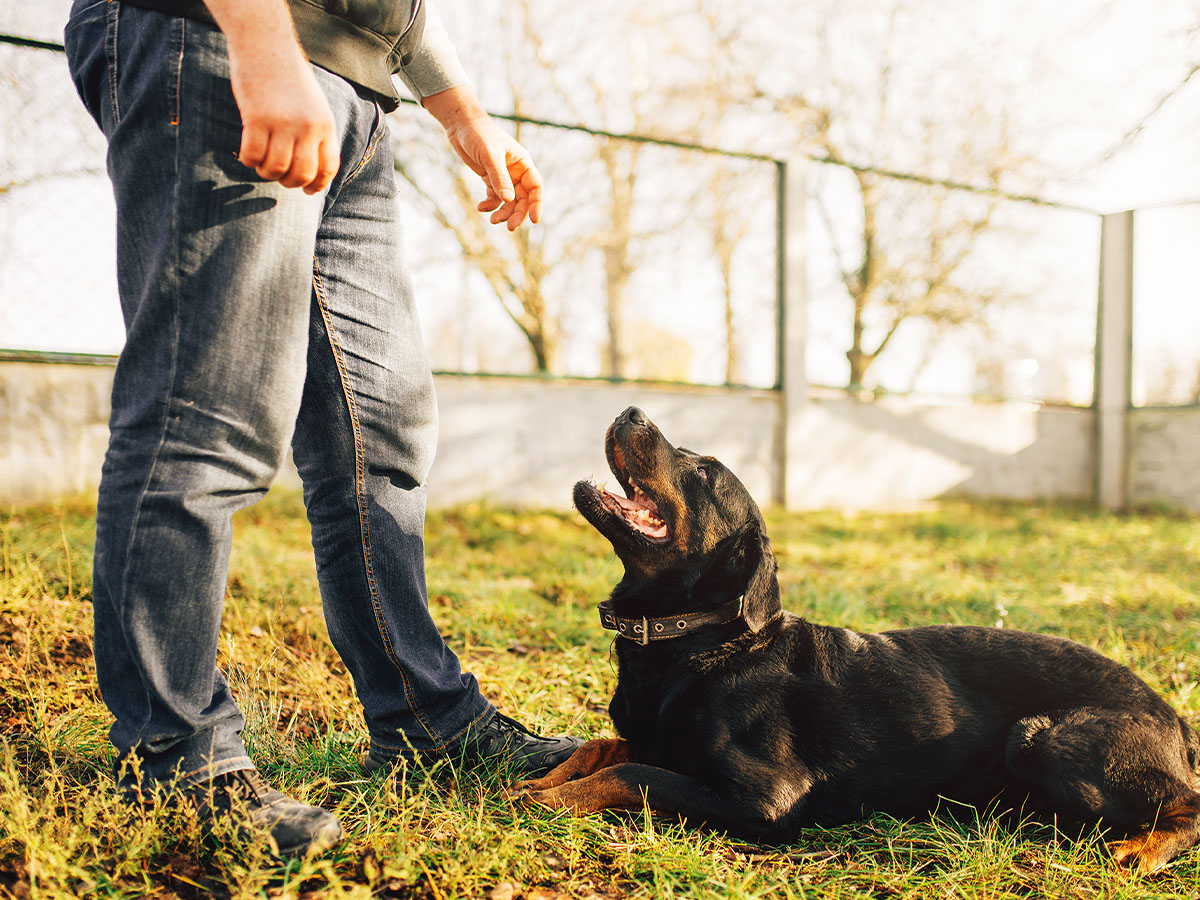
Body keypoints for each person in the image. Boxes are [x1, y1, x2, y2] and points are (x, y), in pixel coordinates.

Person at [63, 0, 581, 857]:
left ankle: (426, 721)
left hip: (358, 92)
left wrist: (463, 113)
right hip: (222, 37)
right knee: (208, 417)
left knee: (381, 433)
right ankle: (174, 759)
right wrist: (262, 47)